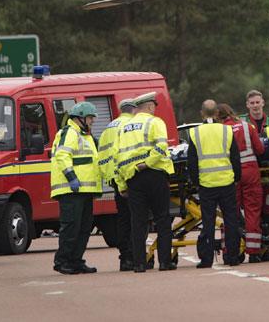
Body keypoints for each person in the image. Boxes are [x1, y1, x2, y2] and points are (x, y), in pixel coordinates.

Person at [113, 91, 175, 272]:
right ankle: (165, 262)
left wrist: (122, 185)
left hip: (133, 179)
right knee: (162, 219)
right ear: (148, 107)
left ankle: (139, 263)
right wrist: (146, 163)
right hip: (154, 174)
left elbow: (117, 158)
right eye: (154, 106)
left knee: (138, 222)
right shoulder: (155, 122)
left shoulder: (123, 128)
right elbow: (162, 147)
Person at [49, 101, 102, 275]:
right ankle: (63, 261)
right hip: (71, 190)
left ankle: (76, 261)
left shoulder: (84, 135)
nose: (92, 121)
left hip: (84, 191)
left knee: (84, 227)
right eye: (90, 118)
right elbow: (62, 155)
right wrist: (71, 177)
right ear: (80, 118)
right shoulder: (69, 132)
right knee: (71, 227)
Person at [189, 100, 242, 268]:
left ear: (202, 113)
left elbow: (192, 161)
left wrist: (196, 181)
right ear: (217, 114)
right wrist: (236, 177)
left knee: (208, 222)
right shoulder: (227, 130)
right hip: (226, 182)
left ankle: (206, 259)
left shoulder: (194, 133)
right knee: (231, 220)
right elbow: (235, 156)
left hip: (206, 184)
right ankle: (232, 257)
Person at [241, 89, 269, 262]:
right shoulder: (242, 121)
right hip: (250, 178)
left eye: (257, 102)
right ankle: (254, 249)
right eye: (252, 103)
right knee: (253, 216)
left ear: (263, 102)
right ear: (247, 105)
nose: (255, 106)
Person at [217, 103, 265, 263]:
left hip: (229, 175)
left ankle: (230, 251)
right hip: (250, 171)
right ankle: (254, 252)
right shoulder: (247, 127)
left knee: (231, 213)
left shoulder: (220, 131)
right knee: (252, 211)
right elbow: (260, 149)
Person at [96, 97, 137, 271]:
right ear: (134, 110)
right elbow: (124, 154)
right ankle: (134, 256)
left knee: (122, 218)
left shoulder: (109, 127)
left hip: (113, 177)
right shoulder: (129, 126)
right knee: (135, 218)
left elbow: (103, 154)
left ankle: (125, 257)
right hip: (127, 175)